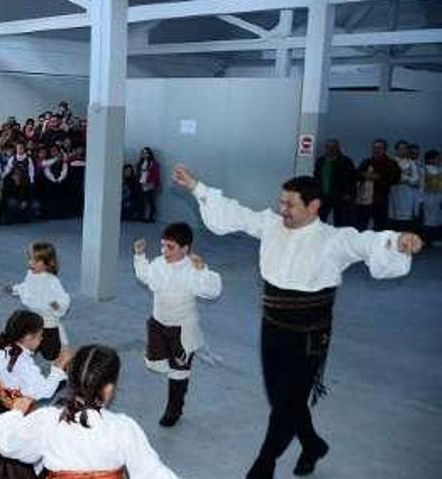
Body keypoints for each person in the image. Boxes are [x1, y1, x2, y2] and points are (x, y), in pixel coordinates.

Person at [171, 164, 423, 478]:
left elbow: (367, 242)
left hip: (309, 335)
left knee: (286, 404)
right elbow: (235, 214)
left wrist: (399, 241)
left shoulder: (334, 239)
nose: (282, 208)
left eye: (290, 204)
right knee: (282, 398)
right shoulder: (271, 224)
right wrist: (197, 187)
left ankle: (264, 465)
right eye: (281, 201)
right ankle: (313, 444)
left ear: (314, 206)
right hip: (272, 327)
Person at [0, 344, 180, 479]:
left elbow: (8, 443)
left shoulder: (47, 421)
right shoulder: (123, 428)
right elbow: (152, 472)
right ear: (108, 389)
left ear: (71, 380)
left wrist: (14, 415)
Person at [133, 223, 222, 427]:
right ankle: (171, 381)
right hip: (158, 324)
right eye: (163, 245)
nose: (164, 251)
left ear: (185, 248)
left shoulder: (193, 269)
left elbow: (212, 291)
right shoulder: (158, 263)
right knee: (155, 362)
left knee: (179, 370)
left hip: (182, 329)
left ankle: (174, 410)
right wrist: (139, 256)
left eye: (170, 247)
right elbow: (145, 275)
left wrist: (202, 270)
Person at [0, 310, 71, 479]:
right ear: (28, 337)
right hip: (13, 414)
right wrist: (59, 368)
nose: (42, 339)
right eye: (40, 335)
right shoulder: (25, 364)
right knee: (15, 457)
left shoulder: (5, 350)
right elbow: (44, 391)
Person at [8, 242, 70, 361]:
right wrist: (15, 289)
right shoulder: (30, 274)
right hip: (33, 318)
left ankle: (61, 366)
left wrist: (57, 305)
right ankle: (17, 361)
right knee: (27, 342)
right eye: (30, 259)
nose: (30, 263)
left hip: (48, 321)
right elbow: (26, 287)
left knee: (51, 353)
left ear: (48, 263)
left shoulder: (52, 281)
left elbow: (63, 298)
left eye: (36, 261)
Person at [355, 139, 400, 231]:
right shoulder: (366, 162)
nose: (376, 150)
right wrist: (364, 175)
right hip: (364, 199)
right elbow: (356, 174)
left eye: (379, 148)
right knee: (361, 225)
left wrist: (379, 177)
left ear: (384, 149)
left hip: (380, 198)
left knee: (380, 225)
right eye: (374, 148)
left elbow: (396, 178)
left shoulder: (391, 163)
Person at [313, 139, 356, 227]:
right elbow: (317, 178)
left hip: (340, 196)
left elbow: (352, 179)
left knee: (341, 222)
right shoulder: (320, 161)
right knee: (320, 220)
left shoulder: (346, 161)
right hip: (323, 195)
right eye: (328, 147)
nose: (331, 149)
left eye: (333, 147)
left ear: (338, 148)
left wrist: (349, 193)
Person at [388, 141, 421, 232]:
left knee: (405, 221)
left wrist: (404, 178)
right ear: (396, 150)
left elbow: (416, 180)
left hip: (407, 196)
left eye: (405, 149)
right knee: (393, 219)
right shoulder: (391, 162)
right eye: (400, 149)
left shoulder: (411, 163)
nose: (403, 151)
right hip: (394, 194)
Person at [422, 150, 442, 245]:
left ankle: (436, 238)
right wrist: (421, 199)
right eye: (437, 158)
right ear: (431, 159)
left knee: (438, 218)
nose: (439, 159)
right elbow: (422, 184)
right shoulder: (424, 169)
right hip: (428, 196)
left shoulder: (440, 169)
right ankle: (427, 239)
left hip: (438, 196)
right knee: (428, 219)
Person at [137, 147, 161, 223]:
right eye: (143, 153)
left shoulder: (153, 163)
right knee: (142, 201)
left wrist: (156, 184)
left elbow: (156, 175)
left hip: (150, 184)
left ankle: (151, 217)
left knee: (150, 201)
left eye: (146, 153)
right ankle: (143, 216)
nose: (145, 155)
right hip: (141, 183)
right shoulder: (140, 163)